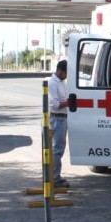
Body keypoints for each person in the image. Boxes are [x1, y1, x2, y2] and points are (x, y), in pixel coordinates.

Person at [49, 59, 69, 188]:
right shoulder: (52, 83)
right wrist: (68, 103)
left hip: (63, 118)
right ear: (60, 71)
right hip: (57, 118)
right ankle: (54, 179)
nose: (66, 76)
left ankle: (56, 176)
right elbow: (54, 105)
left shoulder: (61, 82)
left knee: (59, 150)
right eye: (66, 73)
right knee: (57, 150)